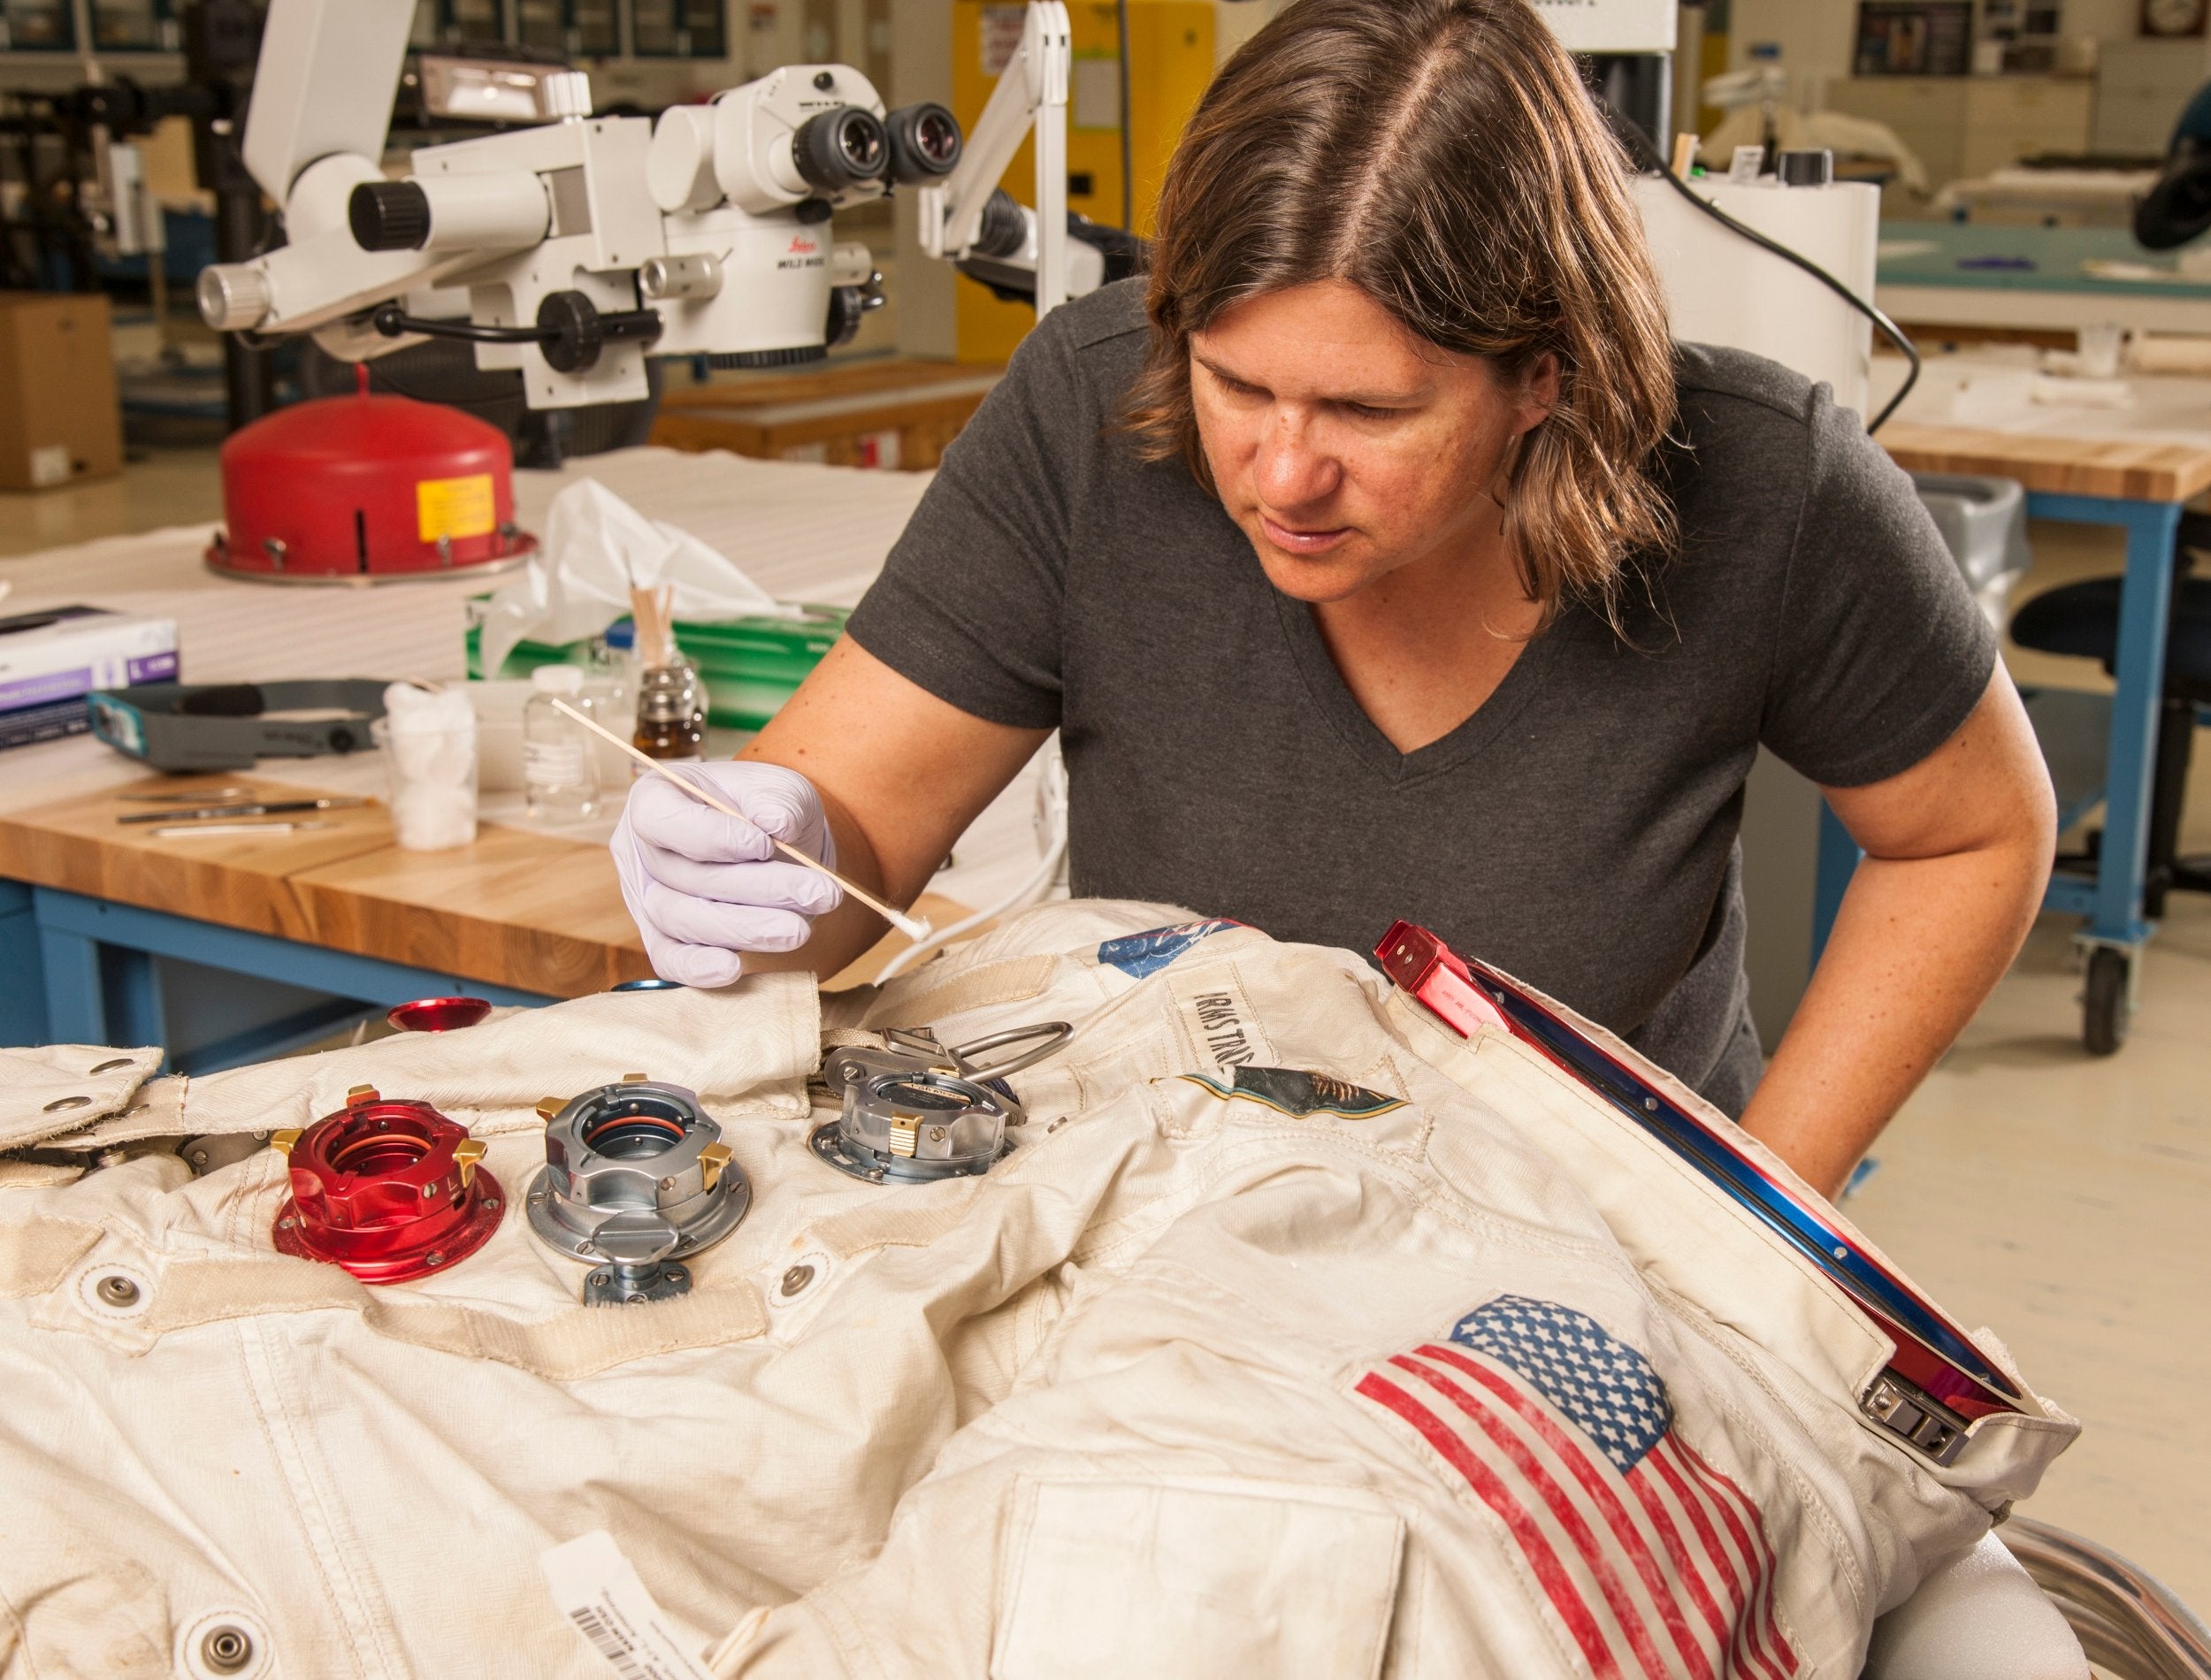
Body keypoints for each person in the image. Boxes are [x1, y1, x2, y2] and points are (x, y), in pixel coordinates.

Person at [609, 0, 2055, 1201]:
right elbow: (844, 845)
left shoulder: (1768, 480)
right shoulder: (1087, 404)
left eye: (1370, 409)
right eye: (1236, 385)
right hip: (1169, 1200)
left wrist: (1757, 1211)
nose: (1281, 475)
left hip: (1587, 1230)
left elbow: (1974, 833)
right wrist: (755, 864)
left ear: (1546, 374)